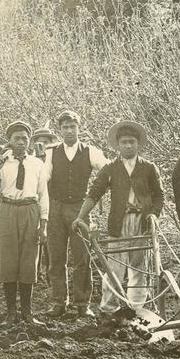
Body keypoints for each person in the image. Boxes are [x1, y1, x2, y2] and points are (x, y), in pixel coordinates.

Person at [73, 120, 163, 314]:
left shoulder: (148, 168)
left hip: (142, 222)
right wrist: (80, 217)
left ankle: (137, 308)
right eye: (124, 142)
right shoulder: (111, 168)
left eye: (132, 141)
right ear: (118, 145)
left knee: (140, 267)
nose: (128, 145)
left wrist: (154, 214)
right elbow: (94, 193)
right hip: (118, 223)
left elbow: (159, 195)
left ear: (138, 144)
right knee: (114, 266)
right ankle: (109, 308)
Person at [0, 121, 50, 326]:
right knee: (9, 261)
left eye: (24, 138)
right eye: (16, 138)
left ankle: (28, 313)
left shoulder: (37, 164)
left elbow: (43, 195)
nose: (21, 142)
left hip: (30, 210)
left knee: (29, 261)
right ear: (9, 141)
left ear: (29, 141)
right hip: (8, 211)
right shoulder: (2, 164)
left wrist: (43, 224)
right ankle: (11, 312)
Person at [44, 110, 108, 318]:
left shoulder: (90, 151)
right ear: (60, 130)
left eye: (73, 127)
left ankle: (82, 304)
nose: (69, 131)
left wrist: (95, 193)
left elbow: (107, 170)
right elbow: (44, 177)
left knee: (82, 257)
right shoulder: (51, 152)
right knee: (56, 256)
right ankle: (58, 302)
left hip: (80, 210)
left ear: (79, 128)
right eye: (65, 127)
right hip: (56, 208)